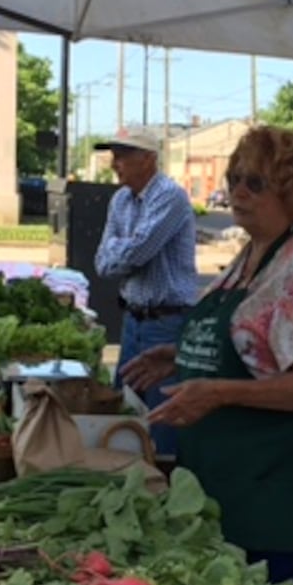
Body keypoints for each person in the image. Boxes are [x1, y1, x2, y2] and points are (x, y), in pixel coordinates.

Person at [123, 125, 293, 585]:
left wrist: (218, 391)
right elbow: (253, 342)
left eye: (256, 183)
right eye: (234, 179)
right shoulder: (252, 253)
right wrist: (184, 354)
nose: (238, 192)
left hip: (284, 484)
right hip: (239, 472)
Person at [93, 130, 197, 456]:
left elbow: (138, 252)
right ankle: (129, 475)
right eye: (113, 155)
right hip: (133, 319)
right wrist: (125, 250)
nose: (114, 164)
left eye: (123, 155)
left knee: (162, 417)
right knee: (125, 407)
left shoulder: (169, 196)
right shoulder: (121, 200)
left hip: (167, 321)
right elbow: (102, 263)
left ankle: (165, 484)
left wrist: (121, 249)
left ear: (149, 159)